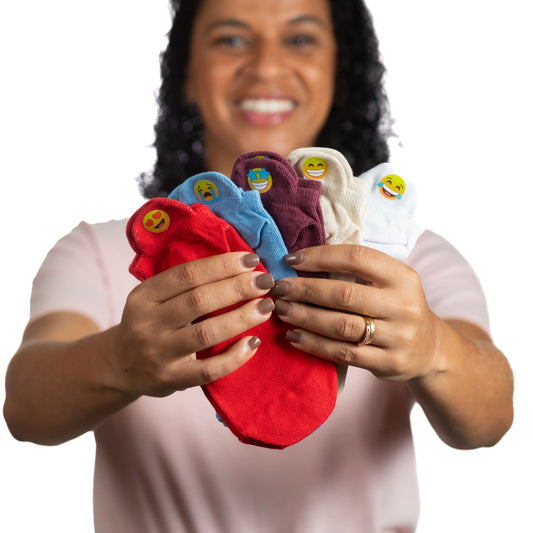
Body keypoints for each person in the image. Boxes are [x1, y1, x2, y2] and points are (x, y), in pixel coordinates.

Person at [3, 0, 513, 531]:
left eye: (300, 39)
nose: (266, 66)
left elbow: (492, 417)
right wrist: (118, 360)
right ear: (187, 73)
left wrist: (433, 348)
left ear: (340, 69)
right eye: (231, 39)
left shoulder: (405, 255)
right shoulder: (107, 252)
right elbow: (25, 407)